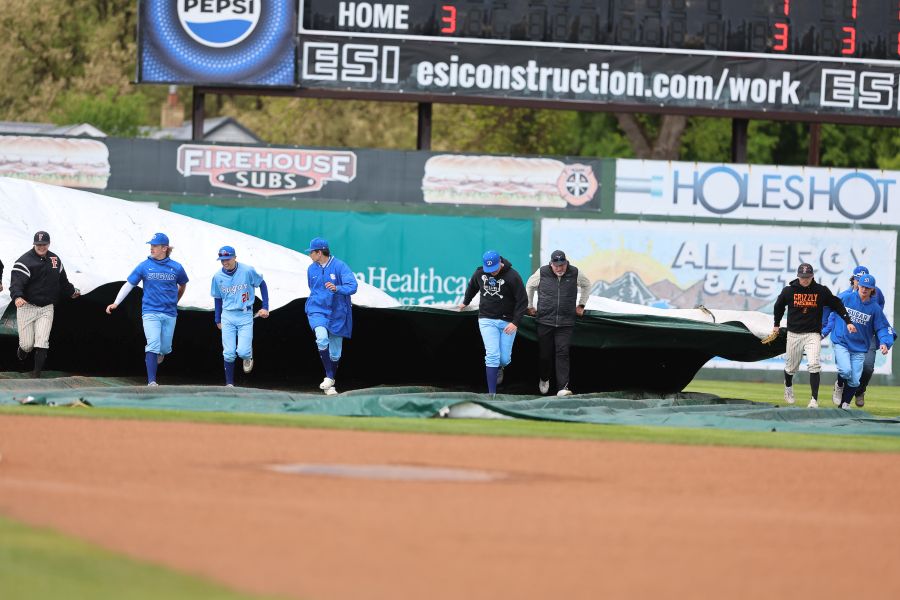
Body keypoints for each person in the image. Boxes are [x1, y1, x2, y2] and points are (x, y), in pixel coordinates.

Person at [105, 233, 189, 386]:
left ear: (165, 248)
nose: (152, 248)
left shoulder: (176, 267)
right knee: (153, 344)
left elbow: (183, 285)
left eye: (155, 245)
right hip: (150, 311)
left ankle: (161, 353)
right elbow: (129, 284)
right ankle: (152, 382)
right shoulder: (144, 266)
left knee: (165, 347)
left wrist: (176, 300)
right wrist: (116, 303)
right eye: (151, 245)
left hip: (170, 312)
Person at [772, 263, 854, 408]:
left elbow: (837, 304)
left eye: (807, 277)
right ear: (798, 276)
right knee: (791, 368)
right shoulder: (789, 291)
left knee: (814, 365)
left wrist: (848, 321)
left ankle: (813, 400)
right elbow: (778, 306)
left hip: (813, 334)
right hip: (794, 334)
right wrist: (776, 325)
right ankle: (788, 387)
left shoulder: (820, 291)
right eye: (802, 277)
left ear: (812, 276)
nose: (805, 280)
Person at [9, 231, 80, 378]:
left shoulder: (55, 259)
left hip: (47, 307)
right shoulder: (24, 261)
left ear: (49, 244)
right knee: (27, 345)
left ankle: (36, 375)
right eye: (38, 244)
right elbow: (16, 284)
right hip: (27, 306)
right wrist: (17, 297)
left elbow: (63, 282)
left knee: (42, 341)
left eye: (44, 244)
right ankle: (22, 349)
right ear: (34, 244)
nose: (41, 247)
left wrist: (72, 292)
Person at [459, 250, 527, 396]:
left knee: (504, 358)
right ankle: (492, 394)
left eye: (494, 269)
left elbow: (522, 301)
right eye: (489, 269)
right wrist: (465, 302)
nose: (492, 272)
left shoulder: (512, 276)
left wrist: (515, 322)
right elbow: (472, 287)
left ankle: (500, 367)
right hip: (486, 319)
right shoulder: (479, 273)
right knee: (492, 355)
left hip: (508, 322)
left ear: (500, 263)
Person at [822, 274, 893, 409]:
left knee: (855, 381)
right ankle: (839, 385)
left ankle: (845, 405)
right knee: (845, 370)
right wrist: (821, 324)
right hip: (842, 342)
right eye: (862, 286)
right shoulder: (846, 297)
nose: (864, 289)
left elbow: (882, 327)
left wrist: (884, 342)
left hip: (859, 347)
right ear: (858, 285)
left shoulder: (874, 308)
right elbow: (828, 306)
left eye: (868, 287)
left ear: (873, 290)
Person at [525, 250, 591, 396]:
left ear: (566, 263)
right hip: (545, 320)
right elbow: (529, 285)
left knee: (563, 353)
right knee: (545, 355)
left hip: (566, 322)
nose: (559, 268)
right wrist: (529, 306)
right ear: (551, 264)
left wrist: (581, 305)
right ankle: (544, 378)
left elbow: (587, 285)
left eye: (562, 265)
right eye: (556, 266)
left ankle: (563, 387)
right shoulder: (542, 272)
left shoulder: (575, 272)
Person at [210, 246, 270, 387]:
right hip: (228, 315)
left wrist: (265, 306)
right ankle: (229, 384)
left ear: (235, 257)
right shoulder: (217, 276)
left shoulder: (247, 270)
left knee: (242, 351)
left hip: (245, 314)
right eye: (222, 260)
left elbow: (262, 284)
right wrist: (217, 318)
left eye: (228, 259)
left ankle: (247, 356)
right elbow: (217, 298)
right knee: (229, 353)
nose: (225, 262)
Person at [305, 237, 357, 396]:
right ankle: (329, 376)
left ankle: (330, 381)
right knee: (321, 338)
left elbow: (353, 286)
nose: (310, 255)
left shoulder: (340, 266)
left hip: (337, 311)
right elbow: (312, 288)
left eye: (311, 252)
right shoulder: (311, 269)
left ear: (319, 253)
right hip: (317, 309)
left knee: (335, 353)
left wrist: (337, 288)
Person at [845, 266, 888, 406]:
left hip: (869, 335)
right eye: (858, 279)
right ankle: (842, 387)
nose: (861, 284)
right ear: (854, 279)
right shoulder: (846, 295)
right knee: (847, 366)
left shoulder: (877, 294)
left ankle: (860, 391)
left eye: (865, 283)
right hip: (850, 335)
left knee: (868, 366)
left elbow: (879, 310)